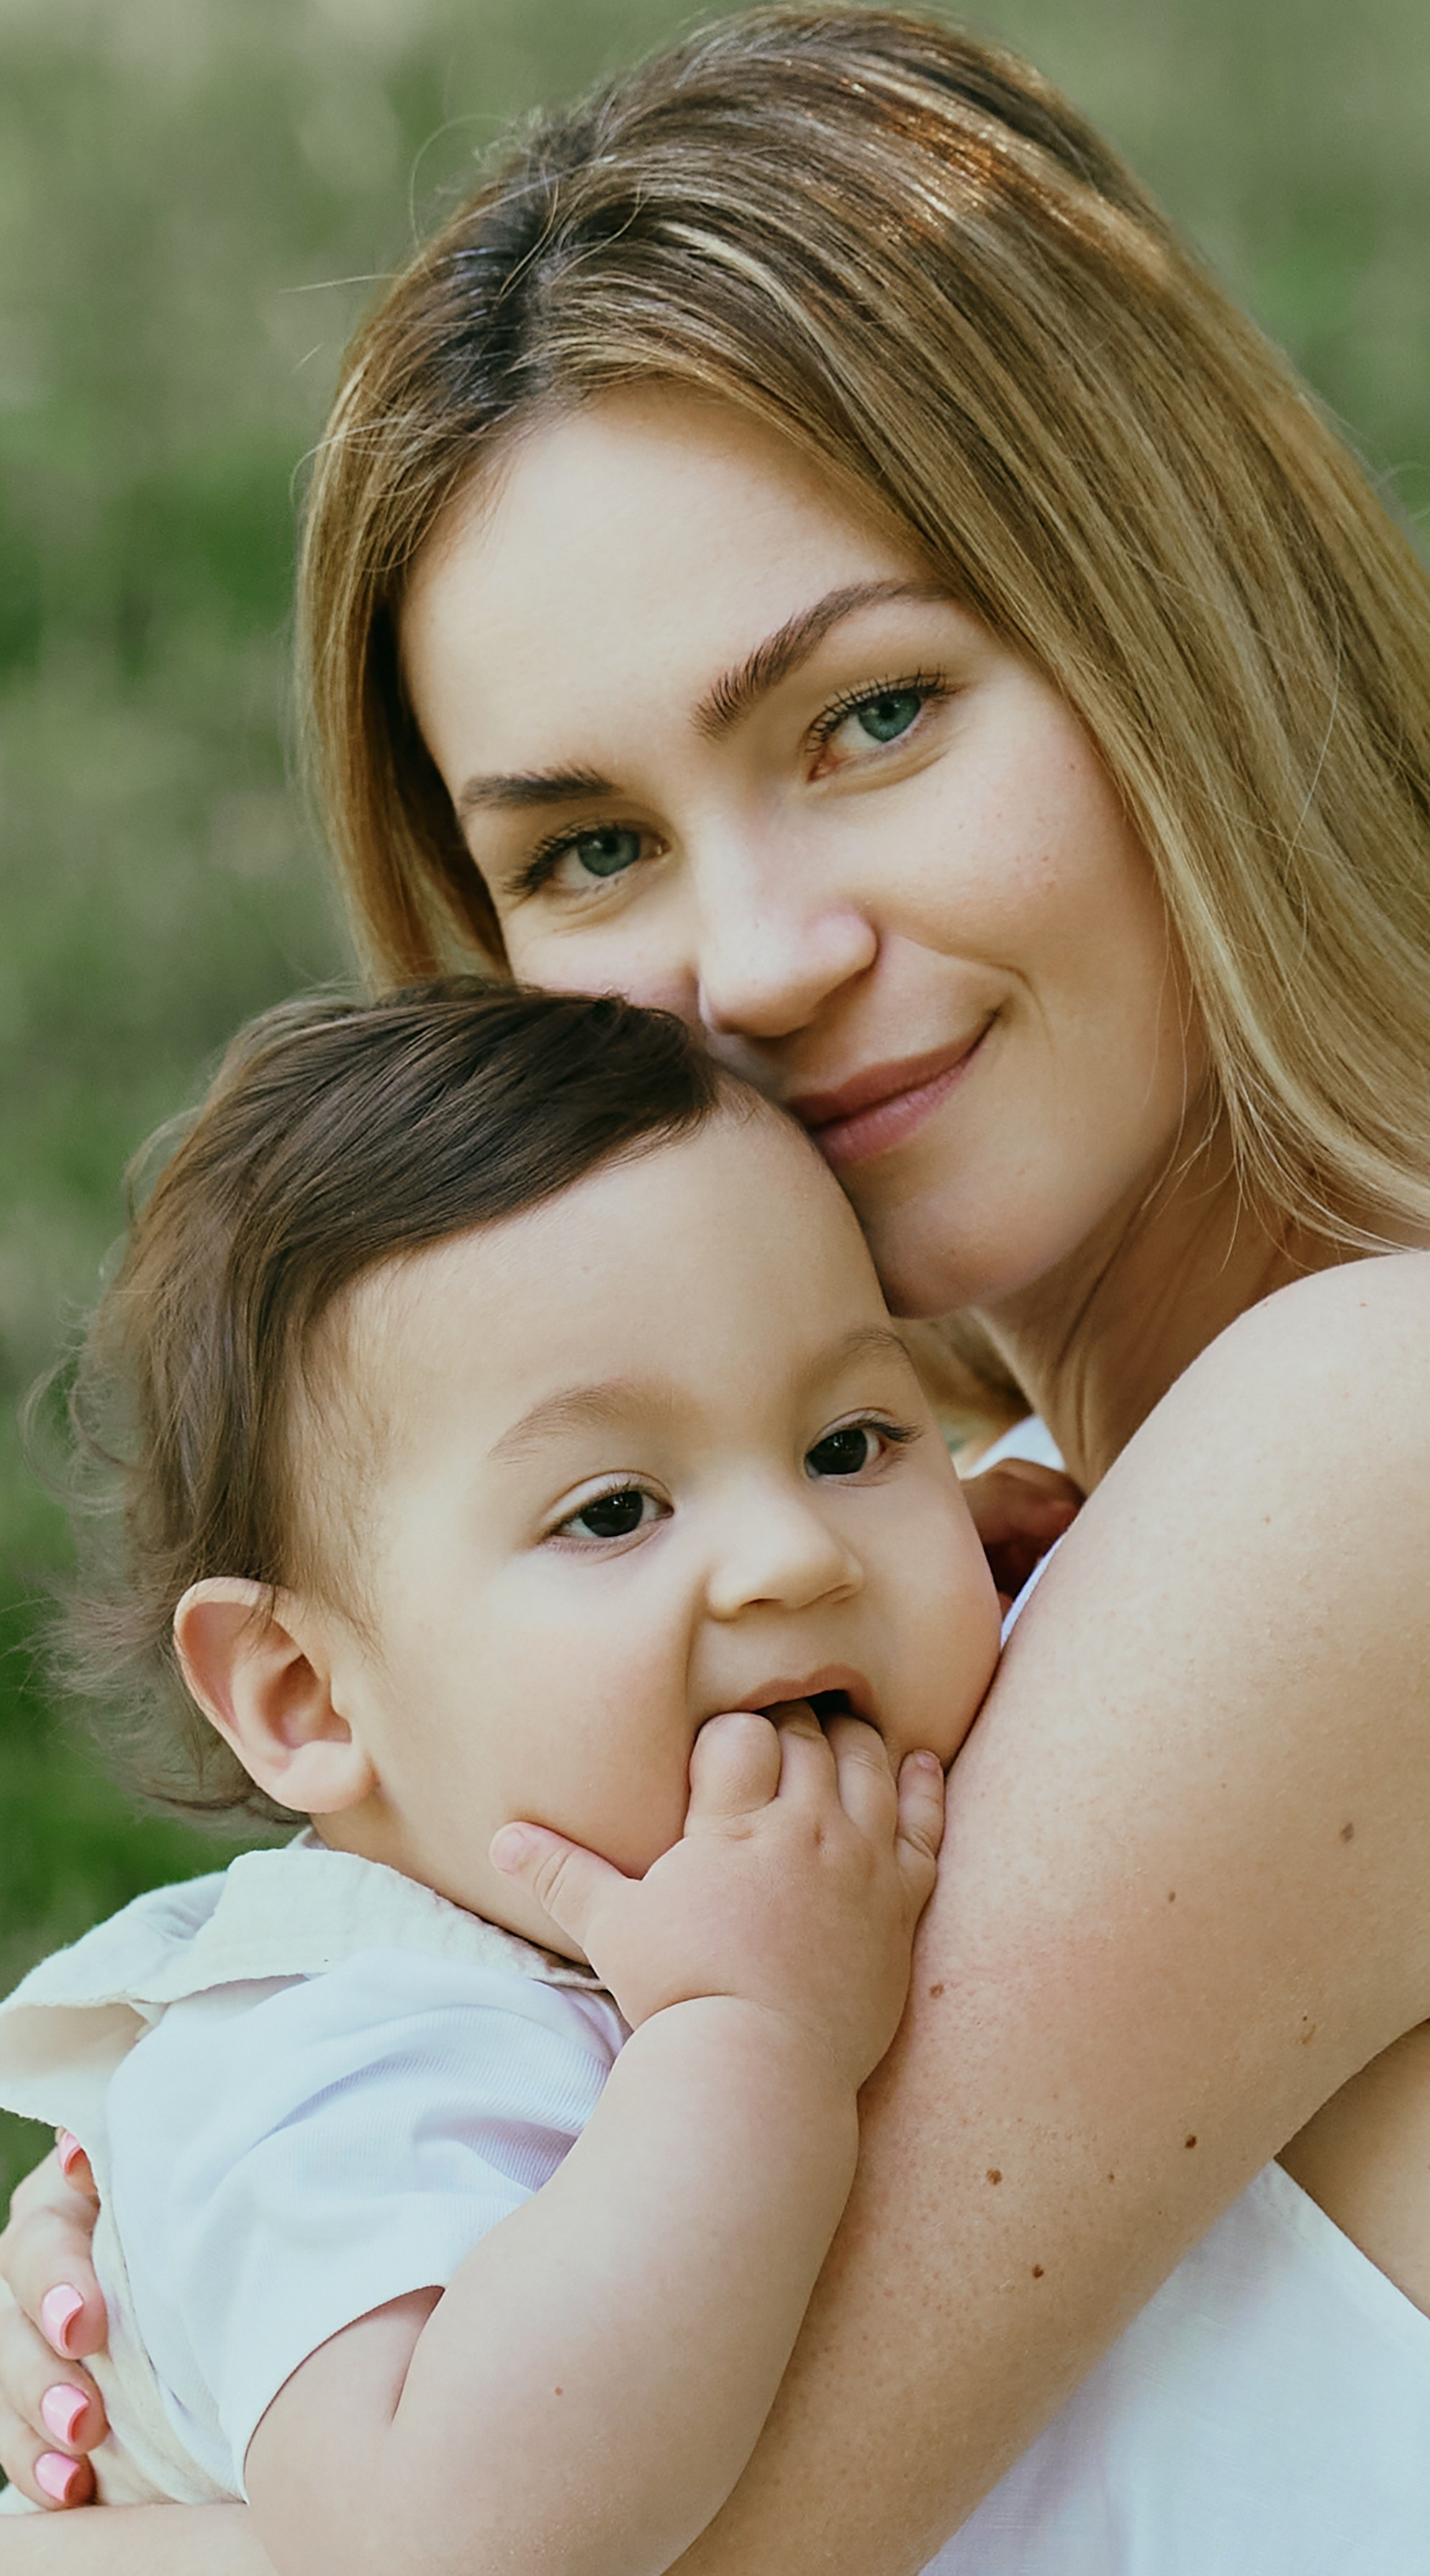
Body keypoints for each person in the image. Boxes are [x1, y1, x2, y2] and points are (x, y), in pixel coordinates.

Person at [5, 0, 1430, 2572]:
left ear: (1191, 643)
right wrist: (246, 2248)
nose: (754, 956)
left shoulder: (1428, 1433)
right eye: (590, 852)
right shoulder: (945, 1579)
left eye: (868, 719)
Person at [0, 982, 997, 2567]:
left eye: (851, 1443)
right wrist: (750, 2040)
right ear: (306, 1695)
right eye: (611, 1512)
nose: (795, 1556)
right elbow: (448, 2544)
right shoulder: (337, 2067)